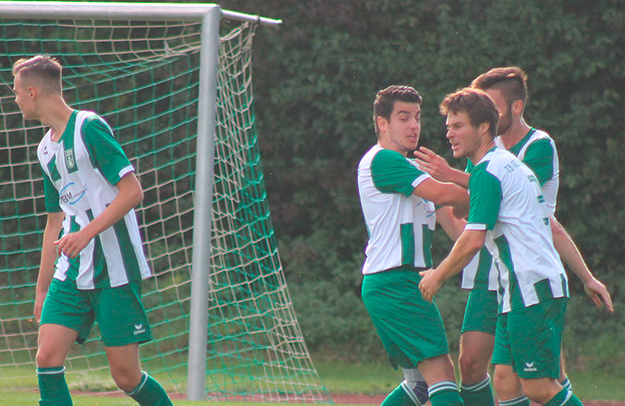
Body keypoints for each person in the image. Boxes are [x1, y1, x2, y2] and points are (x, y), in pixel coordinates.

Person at [414, 67, 612, 406]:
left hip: (531, 287)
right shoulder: (502, 164)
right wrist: (587, 278)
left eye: (458, 126)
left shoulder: (490, 172)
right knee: (505, 382)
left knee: (538, 388)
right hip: (521, 287)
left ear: (484, 126)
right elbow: (550, 225)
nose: (449, 134)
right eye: (448, 126)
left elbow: (473, 239)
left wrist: (437, 275)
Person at [12, 55, 173, 406]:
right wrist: (41, 289)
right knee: (46, 358)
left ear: (33, 92)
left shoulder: (88, 127)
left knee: (126, 377)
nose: (15, 99)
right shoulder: (45, 150)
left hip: (114, 268)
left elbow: (133, 192)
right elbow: (54, 222)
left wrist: (86, 233)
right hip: (70, 272)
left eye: (16, 92)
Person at [357, 85, 470, 406]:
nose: (413, 126)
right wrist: (498, 191)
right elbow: (446, 194)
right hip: (397, 282)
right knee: (442, 375)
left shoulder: (413, 169)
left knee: (419, 385)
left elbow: (456, 227)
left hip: (395, 283)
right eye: (403, 117)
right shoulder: (383, 161)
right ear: (382, 123)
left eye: (417, 117)